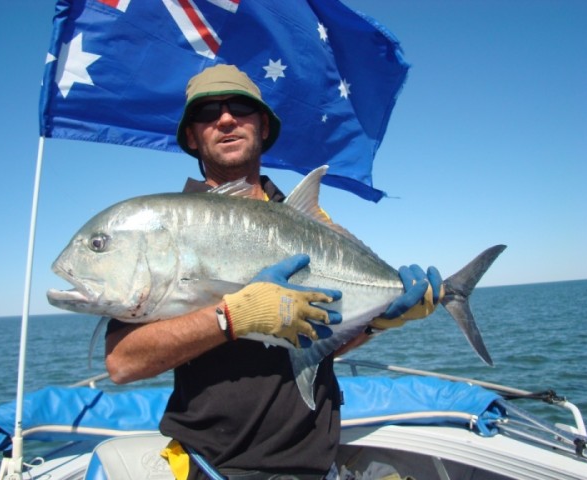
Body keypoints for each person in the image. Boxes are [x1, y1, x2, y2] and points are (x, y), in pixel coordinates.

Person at [104, 64, 442, 480]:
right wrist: (233, 316)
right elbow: (121, 363)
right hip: (214, 466)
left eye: (241, 108)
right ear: (192, 136)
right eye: (208, 113)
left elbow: (323, 339)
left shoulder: (307, 220)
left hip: (316, 464)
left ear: (263, 125)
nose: (226, 119)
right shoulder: (168, 228)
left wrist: (380, 321)